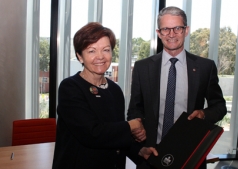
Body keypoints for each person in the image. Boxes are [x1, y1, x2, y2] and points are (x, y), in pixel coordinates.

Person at [127, 6, 227, 169]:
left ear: (186, 30)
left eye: (177, 28)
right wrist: (136, 127)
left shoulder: (205, 67)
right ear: (159, 33)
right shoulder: (142, 67)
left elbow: (219, 107)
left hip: (190, 154)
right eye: (166, 29)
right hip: (151, 154)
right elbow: (135, 109)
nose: (171, 34)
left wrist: (203, 114)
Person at [52, 22, 144, 169]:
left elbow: (115, 135)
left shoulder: (114, 89)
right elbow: (92, 133)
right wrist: (131, 125)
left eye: (106, 50)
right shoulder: (70, 87)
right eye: (92, 51)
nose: (100, 56)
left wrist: (140, 151)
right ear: (80, 57)